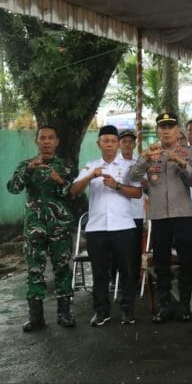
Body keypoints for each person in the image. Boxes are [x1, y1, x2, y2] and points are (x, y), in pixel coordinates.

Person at [128, 112, 192, 323]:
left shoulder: (187, 152)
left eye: (170, 127)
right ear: (158, 131)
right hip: (159, 216)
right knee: (161, 262)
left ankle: (185, 305)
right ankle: (164, 306)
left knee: (186, 260)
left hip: (183, 214)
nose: (166, 131)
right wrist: (145, 158)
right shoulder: (150, 153)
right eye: (163, 127)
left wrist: (179, 161)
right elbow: (133, 176)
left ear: (178, 131)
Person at [71, 125, 143, 326]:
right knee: (100, 273)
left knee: (127, 271)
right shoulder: (90, 166)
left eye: (113, 141)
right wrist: (90, 177)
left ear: (118, 144)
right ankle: (101, 311)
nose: (109, 145)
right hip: (97, 228)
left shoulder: (129, 167)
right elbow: (74, 190)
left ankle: (128, 310)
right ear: (99, 144)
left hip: (123, 226)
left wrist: (117, 185)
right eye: (106, 141)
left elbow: (138, 193)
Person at [7, 125, 76, 332]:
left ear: (57, 142)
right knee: (34, 270)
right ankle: (36, 318)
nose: (46, 142)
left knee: (62, 269)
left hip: (59, 227)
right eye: (42, 138)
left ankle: (64, 314)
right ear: (37, 141)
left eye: (50, 138)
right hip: (34, 227)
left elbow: (74, 193)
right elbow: (13, 188)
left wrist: (60, 180)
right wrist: (29, 170)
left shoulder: (66, 167)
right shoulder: (26, 164)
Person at [118, 129, 147, 283]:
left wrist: (140, 178)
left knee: (135, 249)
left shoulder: (141, 161)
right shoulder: (113, 161)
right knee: (118, 249)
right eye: (124, 141)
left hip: (136, 212)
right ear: (119, 144)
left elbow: (148, 185)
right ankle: (117, 280)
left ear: (135, 144)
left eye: (130, 142)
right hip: (118, 213)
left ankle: (134, 281)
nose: (128, 144)